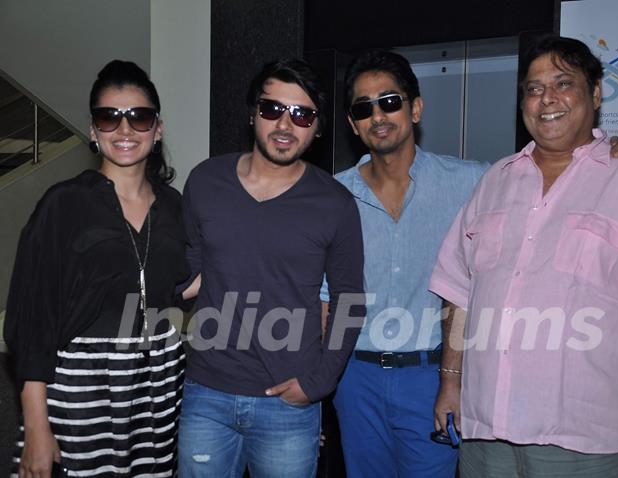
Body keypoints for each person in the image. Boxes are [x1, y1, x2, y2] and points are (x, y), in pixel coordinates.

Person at [322, 49, 618, 478]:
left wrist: (617, 152)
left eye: (390, 101)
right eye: (364, 108)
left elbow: (550, 174)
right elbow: (320, 297)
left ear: (415, 108)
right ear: (352, 123)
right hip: (355, 378)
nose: (378, 115)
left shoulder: (476, 181)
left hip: (436, 374)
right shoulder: (329, 196)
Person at [429, 35, 618, 478]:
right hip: (486, 439)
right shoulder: (494, 182)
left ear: (596, 93)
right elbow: (459, 293)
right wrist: (451, 381)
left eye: (564, 83)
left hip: (591, 448)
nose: (547, 99)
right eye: (533, 87)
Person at [176, 58, 365, 478]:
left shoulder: (334, 203)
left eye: (302, 115)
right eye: (271, 109)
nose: (284, 124)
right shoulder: (205, 181)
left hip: (288, 402)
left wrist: (318, 384)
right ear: (251, 113)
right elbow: (189, 261)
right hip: (206, 393)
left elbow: (349, 300)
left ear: (317, 129)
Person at [4, 60, 191, 477]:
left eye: (139, 117)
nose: (125, 130)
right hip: (79, 390)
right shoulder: (63, 204)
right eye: (110, 117)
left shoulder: (176, 208)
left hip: (156, 392)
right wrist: (36, 424)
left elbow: (173, 287)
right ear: (93, 130)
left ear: (157, 129)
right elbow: (32, 315)